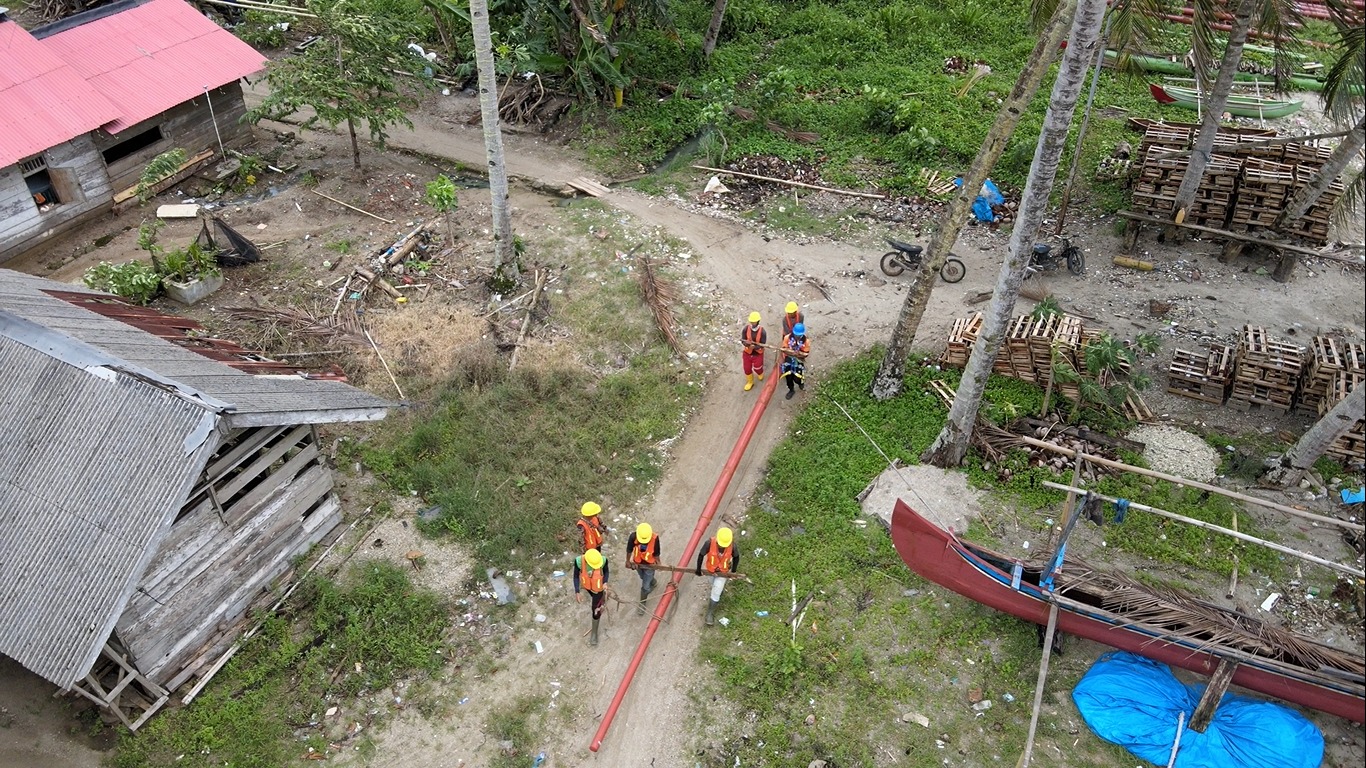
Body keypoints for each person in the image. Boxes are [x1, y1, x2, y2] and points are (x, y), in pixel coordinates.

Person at [694, 526, 739, 626]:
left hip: (723, 573)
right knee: (713, 584)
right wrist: (698, 569)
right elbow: (701, 555)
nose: (722, 547)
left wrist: (733, 571)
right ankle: (719, 591)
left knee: (716, 591)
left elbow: (736, 557)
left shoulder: (732, 546)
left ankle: (709, 613)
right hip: (711, 571)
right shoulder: (709, 543)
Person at [573, 548, 610, 645]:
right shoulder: (579, 561)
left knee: (595, 609)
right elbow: (576, 576)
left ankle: (594, 633)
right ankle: (603, 599)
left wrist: (605, 582)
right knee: (596, 602)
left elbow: (606, 572)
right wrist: (577, 591)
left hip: (598, 588)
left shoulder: (603, 560)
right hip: (588, 586)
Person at [625, 522, 661, 615]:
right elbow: (629, 550)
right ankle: (654, 582)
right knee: (642, 577)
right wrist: (628, 561)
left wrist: (658, 563)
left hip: (649, 565)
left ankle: (642, 603)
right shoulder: (633, 537)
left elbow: (656, 552)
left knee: (645, 586)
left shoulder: (655, 538)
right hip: (638, 563)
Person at [780, 323, 810, 400]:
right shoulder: (787, 338)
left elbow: (805, 354)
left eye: (799, 335)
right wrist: (792, 352)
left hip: (799, 360)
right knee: (788, 377)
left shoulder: (806, 342)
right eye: (796, 334)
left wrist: (798, 354)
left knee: (798, 377)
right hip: (789, 359)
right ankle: (791, 390)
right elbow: (784, 350)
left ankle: (800, 383)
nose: (797, 336)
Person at [741, 311, 766, 392]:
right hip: (747, 352)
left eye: (754, 321)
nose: (752, 322)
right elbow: (743, 340)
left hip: (758, 353)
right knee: (747, 368)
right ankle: (750, 382)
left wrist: (755, 347)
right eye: (751, 321)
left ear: (758, 321)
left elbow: (763, 344)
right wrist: (747, 344)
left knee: (758, 367)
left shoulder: (762, 331)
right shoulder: (746, 329)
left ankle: (760, 373)